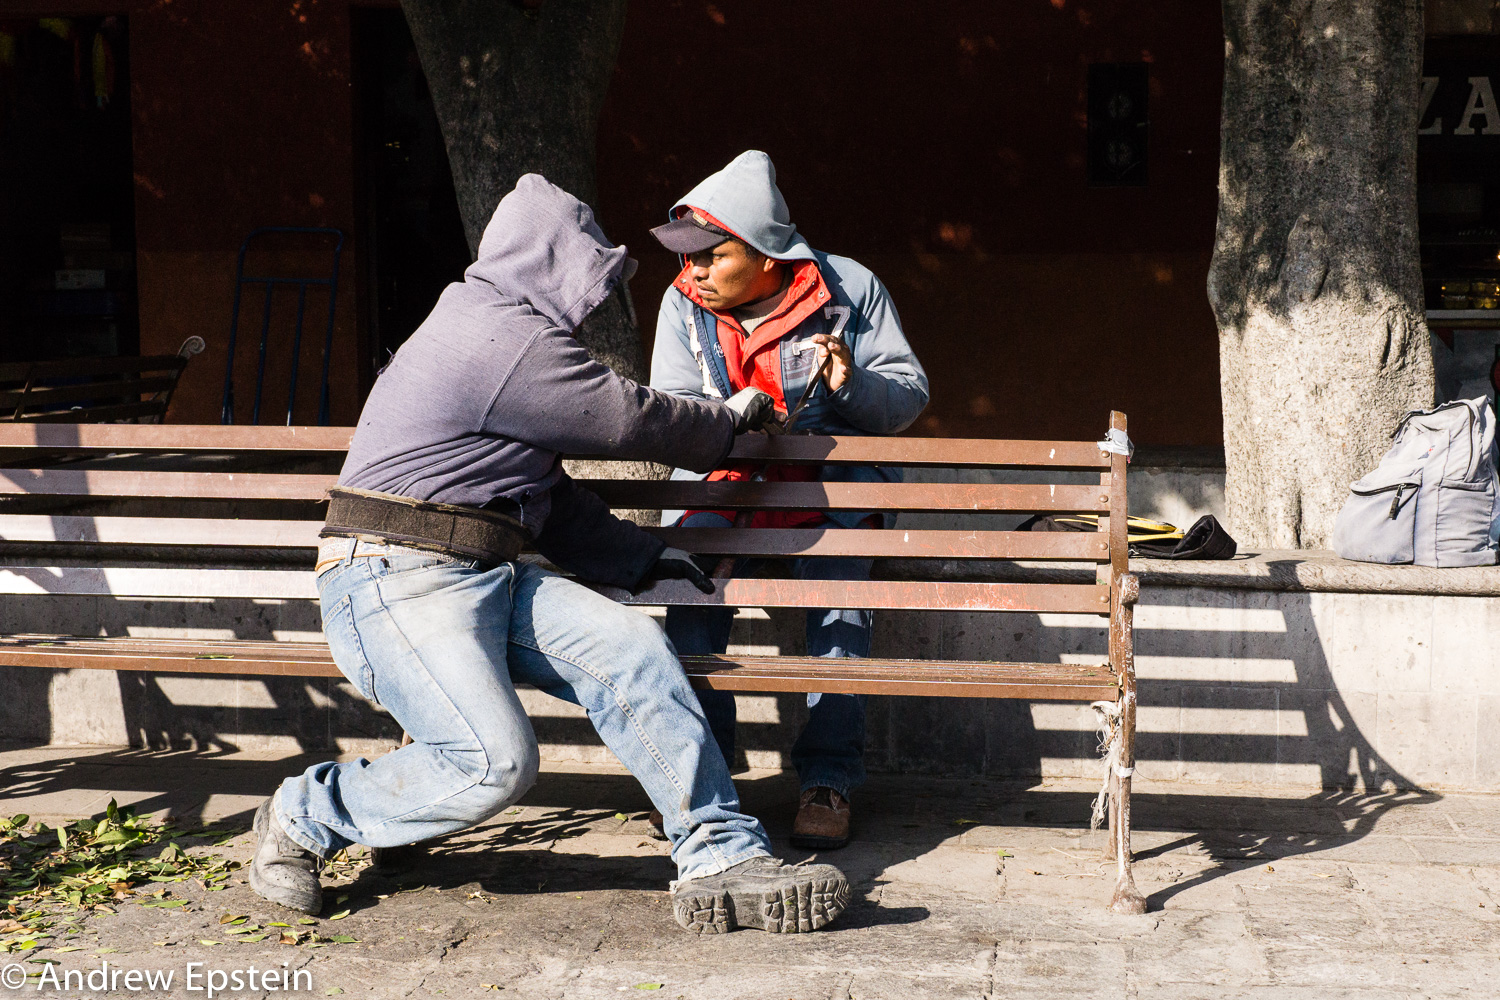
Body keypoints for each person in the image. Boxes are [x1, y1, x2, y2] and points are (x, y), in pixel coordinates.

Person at [248, 174, 849, 936]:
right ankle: (303, 815)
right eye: (590, 278)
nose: (598, 300)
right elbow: (625, 419)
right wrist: (725, 422)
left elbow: (547, 500)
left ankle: (721, 856)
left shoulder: (512, 337)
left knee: (633, 647)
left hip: (486, 574)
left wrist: (643, 561)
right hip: (391, 576)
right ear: (547, 262)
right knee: (491, 762)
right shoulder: (494, 333)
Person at [649, 151, 928, 850]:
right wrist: (727, 420)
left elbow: (908, 397)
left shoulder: (850, 288)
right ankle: (702, 778)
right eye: (688, 258)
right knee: (685, 592)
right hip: (725, 479)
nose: (695, 272)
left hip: (829, 486)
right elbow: (671, 407)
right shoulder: (683, 303)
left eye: (711, 256)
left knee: (840, 606)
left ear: (767, 253)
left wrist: (850, 383)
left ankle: (828, 780)